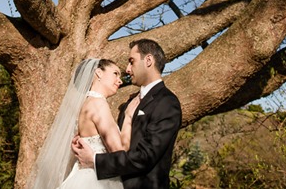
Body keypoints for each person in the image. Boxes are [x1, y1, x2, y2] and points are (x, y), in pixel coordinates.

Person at [72, 39, 182, 189]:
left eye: (132, 62)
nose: (128, 70)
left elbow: (146, 156)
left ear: (148, 60)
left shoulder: (167, 102)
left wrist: (95, 160)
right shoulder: (129, 102)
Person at [27, 58, 139, 189]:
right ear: (99, 73)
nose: (120, 80)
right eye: (115, 73)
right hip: (98, 180)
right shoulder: (98, 104)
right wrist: (129, 117)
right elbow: (119, 152)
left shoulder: (85, 104)